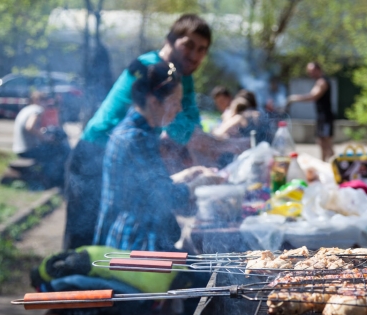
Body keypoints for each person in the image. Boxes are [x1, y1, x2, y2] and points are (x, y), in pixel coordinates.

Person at [65, 14, 242, 250]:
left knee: (110, 235)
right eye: (189, 45)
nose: (195, 55)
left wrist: (197, 172)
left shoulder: (181, 78)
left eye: (202, 49)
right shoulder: (152, 70)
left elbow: (191, 129)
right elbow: (183, 132)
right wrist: (230, 148)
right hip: (94, 152)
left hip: (129, 152)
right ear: (170, 39)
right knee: (85, 241)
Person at [94, 61, 221, 251]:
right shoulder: (136, 138)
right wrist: (199, 184)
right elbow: (164, 197)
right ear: (154, 102)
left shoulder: (136, 131)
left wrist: (186, 175)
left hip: (130, 238)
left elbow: (144, 188)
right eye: (175, 102)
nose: (179, 109)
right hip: (134, 244)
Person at [12, 91, 71, 188]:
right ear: (37, 100)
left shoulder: (27, 109)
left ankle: (49, 179)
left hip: (19, 149)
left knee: (51, 151)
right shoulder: (37, 109)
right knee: (59, 150)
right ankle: (53, 181)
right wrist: (45, 137)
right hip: (28, 150)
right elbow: (29, 126)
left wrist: (42, 133)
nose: (46, 103)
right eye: (44, 100)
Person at [286, 62, 334, 161]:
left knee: (327, 143)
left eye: (311, 71)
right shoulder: (319, 82)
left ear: (318, 70)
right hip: (322, 116)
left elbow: (313, 96)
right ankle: (324, 162)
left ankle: (333, 165)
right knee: (321, 141)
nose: (310, 74)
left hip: (326, 117)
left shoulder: (322, 82)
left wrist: (295, 98)